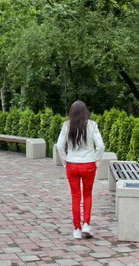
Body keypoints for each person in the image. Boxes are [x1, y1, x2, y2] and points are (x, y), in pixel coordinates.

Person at [56, 100, 105, 240]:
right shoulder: (92, 125)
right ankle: (86, 225)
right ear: (85, 112)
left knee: (75, 196)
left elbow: (59, 146)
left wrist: (65, 162)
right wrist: (97, 161)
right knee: (88, 194)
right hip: (89, 164)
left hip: (72, 164)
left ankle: (76, 229)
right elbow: (100, 146)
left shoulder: (66, 125)